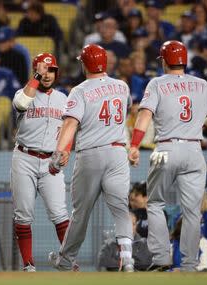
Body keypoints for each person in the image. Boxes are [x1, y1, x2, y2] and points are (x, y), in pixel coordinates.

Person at [128, 40, 207, 272]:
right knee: (192, 211)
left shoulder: (157, 83)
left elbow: (144, 117)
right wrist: (199, 124)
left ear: (164, 61)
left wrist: (134, 145)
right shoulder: (201, 83)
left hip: (165, 149)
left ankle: (161, 259)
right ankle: (190, 264)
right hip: (194, 149)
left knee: (155, 203)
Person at [48, 44, 134, 272]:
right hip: (117, 152)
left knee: (80, 213)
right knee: (121, 209)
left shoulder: (80, 90)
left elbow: (70, 124)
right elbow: (125, 111)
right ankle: (128, 261)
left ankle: (65, 261)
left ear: (84, 64)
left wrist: (60, 153)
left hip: (91, 154)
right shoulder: (122, 86)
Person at [11, 52, 70, 272]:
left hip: (50, 162)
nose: (47, 74)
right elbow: (23, 102)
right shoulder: (23, 93)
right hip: (24, 158)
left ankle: (68, 261)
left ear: (56, 72)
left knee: (60, 213)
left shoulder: (64, 99)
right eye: (43, 70)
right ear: (36, 71)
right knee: (23, 213)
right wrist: (36, 76)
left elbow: (70, 130)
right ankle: (28, 265)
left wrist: (65, 150)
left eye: (51, 70)